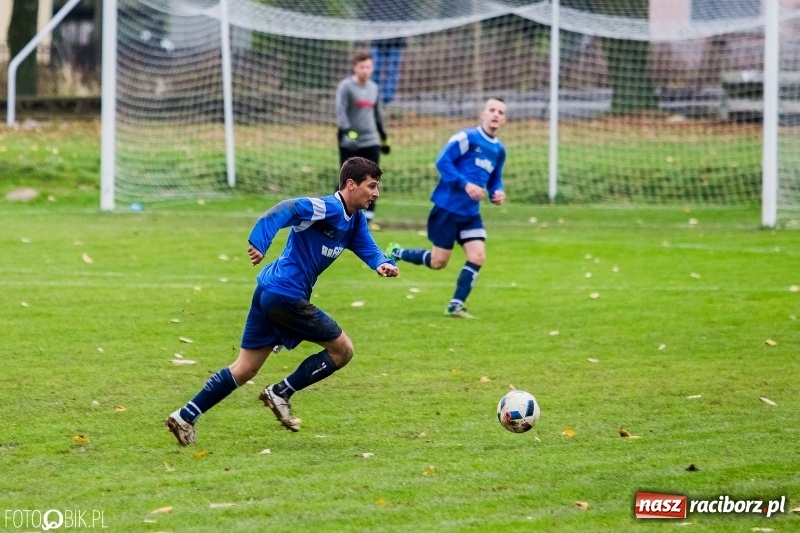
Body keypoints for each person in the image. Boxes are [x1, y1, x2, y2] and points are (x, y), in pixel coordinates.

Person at [166, 157, 399, 445]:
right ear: (351, 184)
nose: (376, 193)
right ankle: (281, 392)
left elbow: (368, 247)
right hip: (286, 295)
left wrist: (383, 263)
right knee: (343, 351)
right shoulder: (327, 207)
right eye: (371, 186)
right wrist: (260, 240)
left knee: (245, 368)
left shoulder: (355, 221)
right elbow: (287, 208)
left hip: (269, 291)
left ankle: (185, 415)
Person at [386, 98, 507, 319]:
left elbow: (495, 178)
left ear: (504, 119)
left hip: (470, 213)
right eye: (492, 110)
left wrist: (497, 192)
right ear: (483, 114)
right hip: (447, 208)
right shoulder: (467, 137)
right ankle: (397, 252)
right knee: (438, 262)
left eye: (500, 112)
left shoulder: (499, 150)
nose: (496, 115)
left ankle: (455, 306)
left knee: (478, 256)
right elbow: (442, 161)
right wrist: (465, 184)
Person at [336, 51, 390, 229]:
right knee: (348, 178)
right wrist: (349, 134)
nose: (365, 70)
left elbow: (377, 114)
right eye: (362, 67)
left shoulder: (374, 88)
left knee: (372, 178)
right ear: (355, 68)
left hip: (371, 140)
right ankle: (339, 213)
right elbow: (341, 112)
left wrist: (383, 138)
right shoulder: (346, 87)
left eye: (368, 67)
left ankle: (367, 220)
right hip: (350, 142)